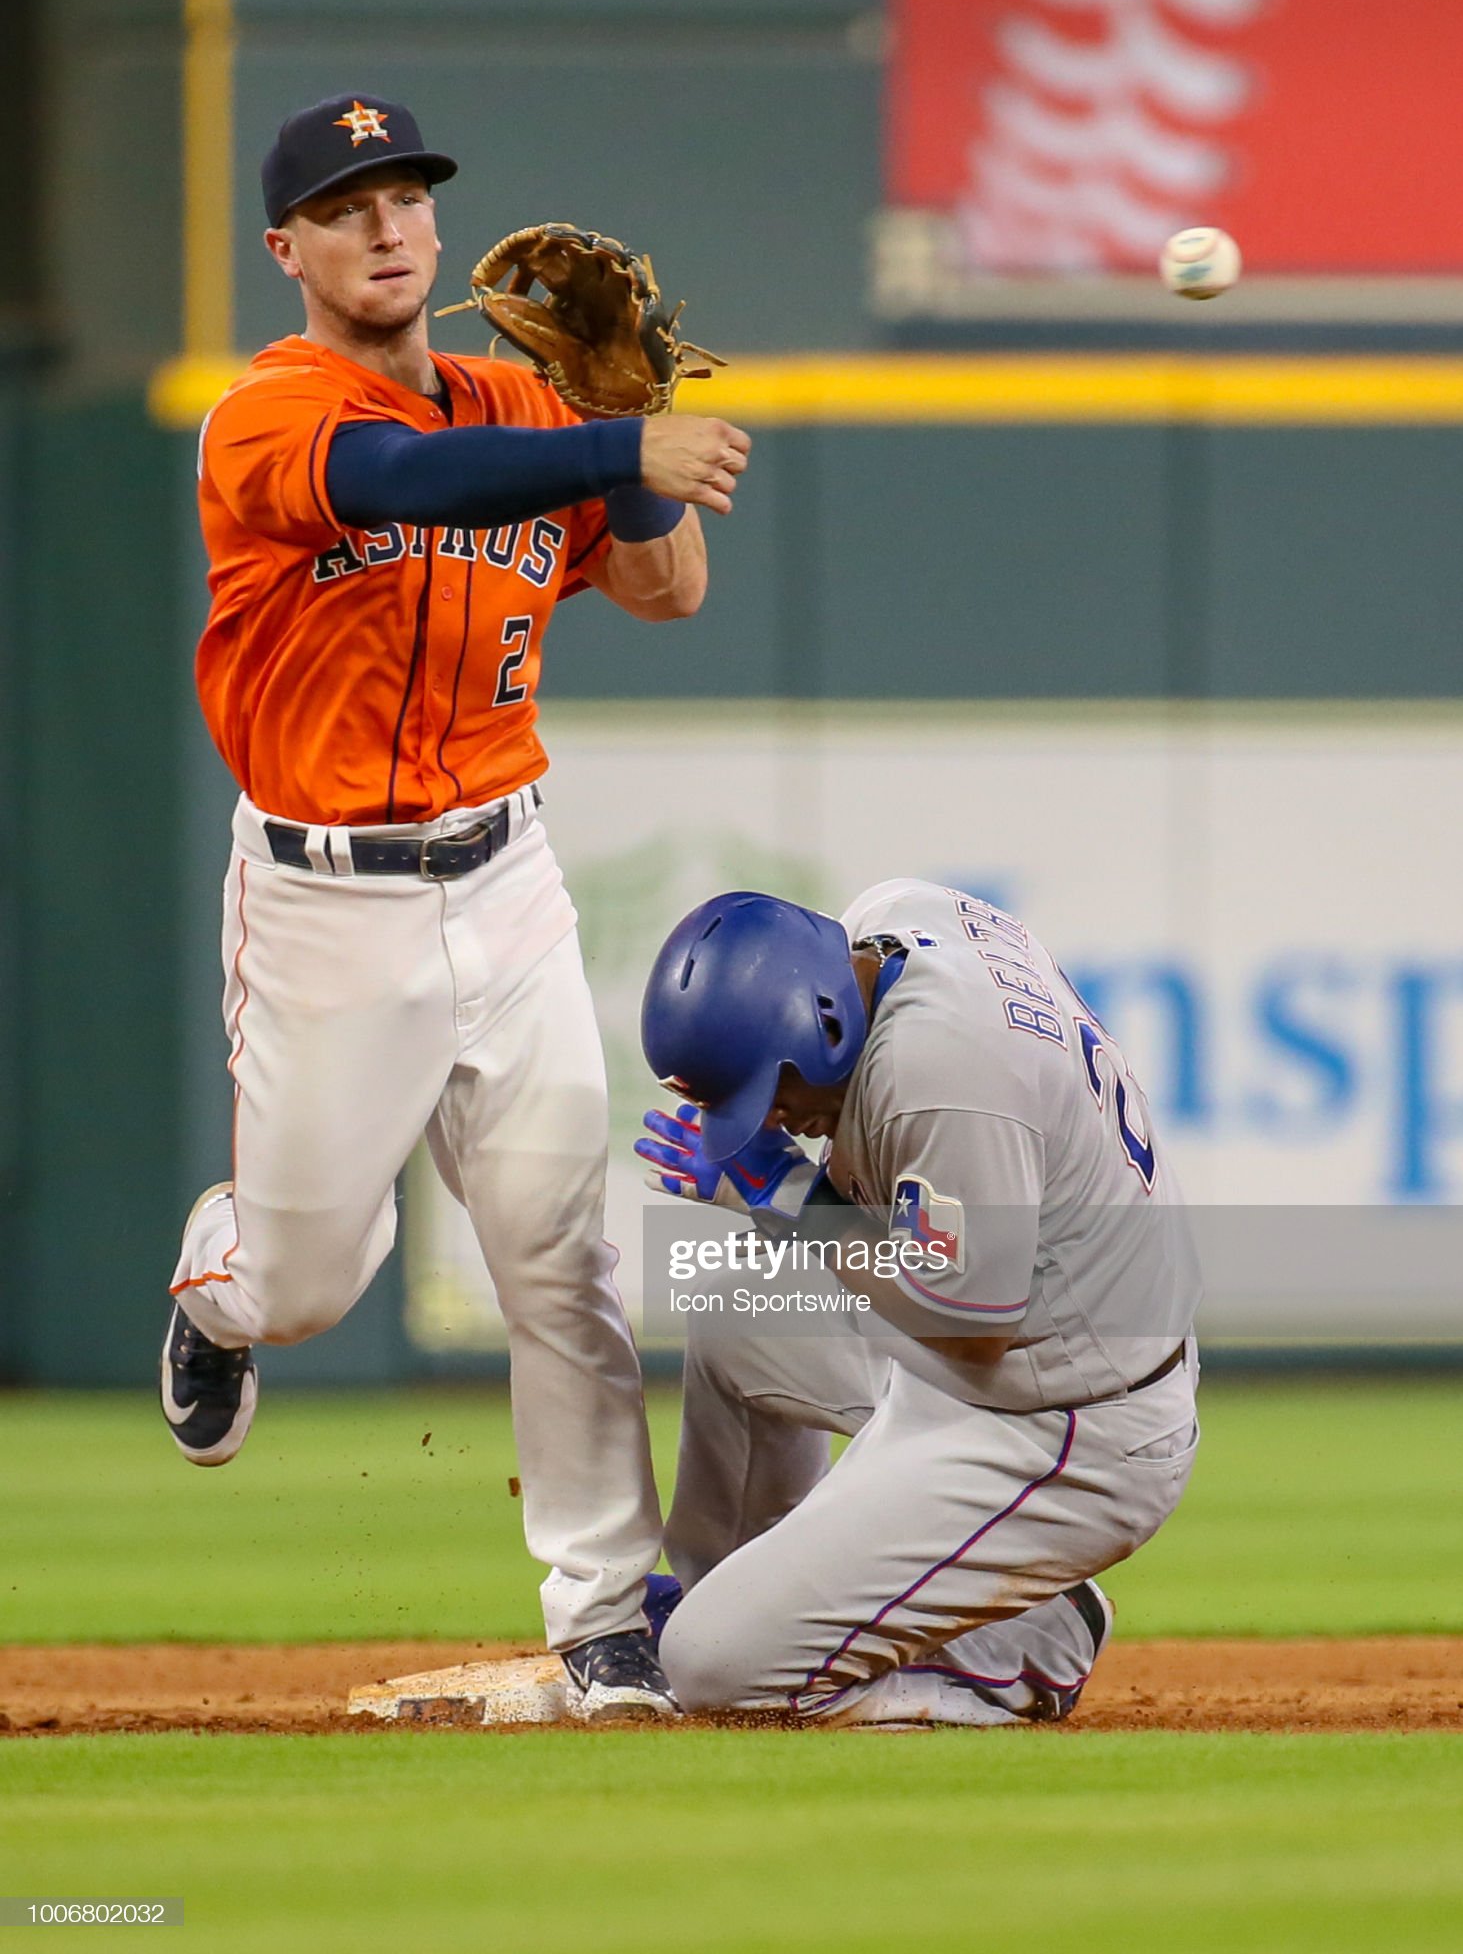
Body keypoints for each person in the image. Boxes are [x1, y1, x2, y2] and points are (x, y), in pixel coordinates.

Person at [159, 92, 750, 1719]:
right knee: (306, 1285)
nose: (390, 225)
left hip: (508, 877)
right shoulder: (266, 416)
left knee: (559, 1255)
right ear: (285, 247)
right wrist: (615, 438)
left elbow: (665, 586)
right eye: (347, 205)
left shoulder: (525, 399)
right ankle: (216, 1278)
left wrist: (618, 415)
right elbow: (402, 478)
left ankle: (599, 1608)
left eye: (406, 193)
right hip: (325, 903)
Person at [634, 880, 1200, 1725]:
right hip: (1010, 1350)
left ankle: (1019, 1658)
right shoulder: (894, 920)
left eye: (774, 1095)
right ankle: (753, 1599)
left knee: (712, 1672)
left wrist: (791, 1195)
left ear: (822, 1022)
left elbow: (969, 1326)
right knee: (737, 1315)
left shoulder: (941, 1072)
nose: (780, 1118)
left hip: (1063, 1429)